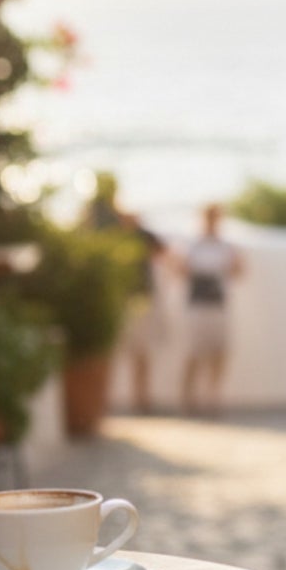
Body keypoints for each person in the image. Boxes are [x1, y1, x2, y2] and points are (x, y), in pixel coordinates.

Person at [84, 173, 168, 415]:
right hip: (119, 301)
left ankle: (142, 399)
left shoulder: (141, 234)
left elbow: (162, 250)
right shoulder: (111, 233)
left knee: (142, 354)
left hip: (142, 300)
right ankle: (106, 402)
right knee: (113, 353)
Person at [179, 203, 243, 417]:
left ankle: (213, 398)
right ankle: (187, 400)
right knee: (193, 353)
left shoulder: (226, 246)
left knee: (219, 353)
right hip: (197, 306)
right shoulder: (192, 245)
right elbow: (180, 270)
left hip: (219, 306)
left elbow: (239, 271)